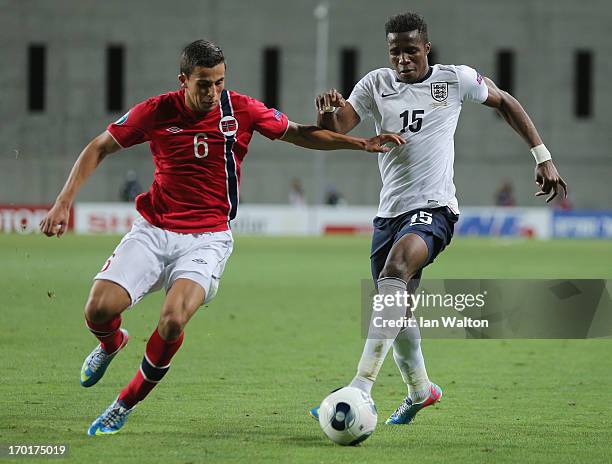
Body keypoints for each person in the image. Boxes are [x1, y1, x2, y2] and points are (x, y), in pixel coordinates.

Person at [39, 39, 404, 436]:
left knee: (173, 319)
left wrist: (360, 143)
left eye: (219, 82)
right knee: (97, 311)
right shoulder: (157, 111)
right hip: (154, 229)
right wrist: (63, 203)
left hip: (208, 238)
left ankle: (124, 402)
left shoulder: (241, 109)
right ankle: (111, 344)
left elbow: (298, 133)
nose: (213, 92)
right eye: (203, 84)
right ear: (183, 80)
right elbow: (100, 146)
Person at [310, 12, 567, 425]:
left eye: (411, 51)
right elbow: (338, 129)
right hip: (389, 213)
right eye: (395, 52)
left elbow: (506, 102)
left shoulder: (454, 80)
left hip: (435, 207)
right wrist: (327, 115)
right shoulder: (376, 84)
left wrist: (543, 157)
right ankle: (421, 391)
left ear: (426, 48)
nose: (403, 60)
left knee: (396, 268)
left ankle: (360, 387)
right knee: (396, 309)